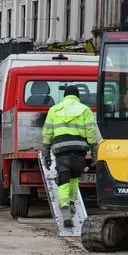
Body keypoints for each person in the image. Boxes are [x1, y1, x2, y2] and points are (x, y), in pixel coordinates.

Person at [42, 86, 98, 228]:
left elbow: (47, 132)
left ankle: (65, 209)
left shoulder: (54, 110)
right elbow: (91, 132)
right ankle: (72, 203)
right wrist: (95, 152)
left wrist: (45, 152)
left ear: (65, 96)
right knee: (74, 178)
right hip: (79, 150)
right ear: (77, 96)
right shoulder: (85, 110)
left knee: (63, 179)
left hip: (61, 150)